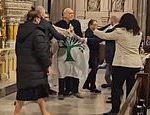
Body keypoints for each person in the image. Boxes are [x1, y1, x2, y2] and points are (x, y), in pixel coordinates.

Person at [94, 13, 143, 115]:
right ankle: (131, 111)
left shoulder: (120, 32)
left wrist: (95, 30)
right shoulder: (139, 33)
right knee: (131, 90)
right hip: (135, 64)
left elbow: (105, 36)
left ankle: (115, 110)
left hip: (122, 64)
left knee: (116, 88)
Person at [14, 8, 51, 115]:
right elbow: (42, 52)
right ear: (36, 19)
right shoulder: (37, 33)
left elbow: (17, 50)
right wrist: (47, 65)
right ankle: (16, 113)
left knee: (37, 91)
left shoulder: (20, 31)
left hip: (24, 68)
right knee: (24, 94)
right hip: (35, 68)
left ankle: (44, 112)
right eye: (40, 18)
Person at [55, 8, 84, 99]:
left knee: (75, 70)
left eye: (73, 13)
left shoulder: (76, 23)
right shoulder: (58, 24)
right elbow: (56, 36)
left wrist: (74, 34)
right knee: (63, 71)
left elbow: (80, 36)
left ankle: (75, 90)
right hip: (63, 50)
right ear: (64, 15)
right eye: (70, 13)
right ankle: (62, 92)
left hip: (74, 50)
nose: (72, 14)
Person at [36, 6, 66, 95]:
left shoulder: (29, 24)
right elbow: (57, 35)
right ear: (41, 14)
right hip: (43, 49)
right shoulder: (46, 24)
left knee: (39, 71)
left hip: (33, 50)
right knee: (44, 70)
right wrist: (65, 37)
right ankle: (43, 91)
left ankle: (44, 89)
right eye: (44, 14)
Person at [82, 19, 102, 93]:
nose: (95, 26)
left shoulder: (94, 31)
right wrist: (98, 39)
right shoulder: (88, 32)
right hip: (91, 53)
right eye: (94, 25)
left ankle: (87, 84)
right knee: (94, 69)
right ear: (90, 25)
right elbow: (95, 40)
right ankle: (91, 86)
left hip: (95, 53)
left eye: (96, 25)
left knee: (94, 70)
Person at [100, 16, 119, 89]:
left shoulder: (114, 30)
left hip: (112, 55)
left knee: (108, 75)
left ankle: (114, 87)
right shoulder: (111, 28)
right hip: (109, 55)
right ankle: (112, 86)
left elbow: (104, 33)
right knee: (108, 75)